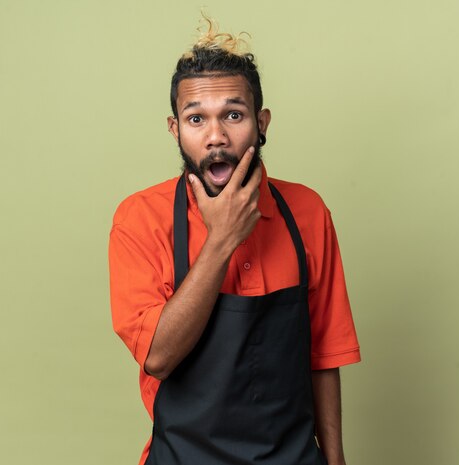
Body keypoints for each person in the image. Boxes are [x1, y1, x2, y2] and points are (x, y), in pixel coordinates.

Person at [109, 17, 361, 465]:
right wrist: (223, 239)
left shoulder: (308, 212)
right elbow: (159, 357)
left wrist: (336, 461)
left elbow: (324, 354)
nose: (216, 137)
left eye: (233, 114)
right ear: (175, 129)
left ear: (261, 122)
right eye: (196, 119)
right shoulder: (140, 219)